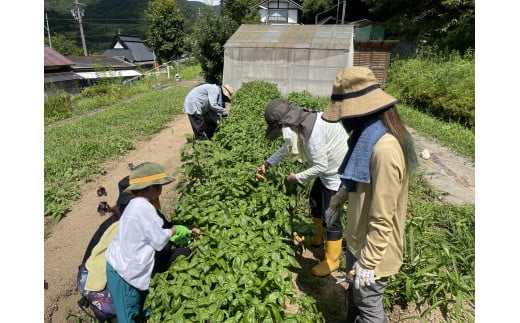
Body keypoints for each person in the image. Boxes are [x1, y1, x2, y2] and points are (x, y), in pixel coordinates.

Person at [322, 66, 418, 323]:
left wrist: (368, 264)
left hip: (373, 250)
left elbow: (383, 217)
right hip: (357, 239)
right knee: (356, 295)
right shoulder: (366, 138)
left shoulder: (384, 150)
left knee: (368, 304)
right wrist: (336, 202)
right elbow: (353, 179)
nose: (343, 120)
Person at [257, 98, 349, 277]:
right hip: (327, 170)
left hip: (336, 174)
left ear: (285, 123)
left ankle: (332, 260)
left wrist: (296, 177)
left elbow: (320, 166)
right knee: (315, 201)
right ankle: (315, 238)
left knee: (331, 216)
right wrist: (268, 163)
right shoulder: (301, 121)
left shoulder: (313, 135)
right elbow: (287, 146)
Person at [105, 162, 197, 323]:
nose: (161, 189)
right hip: (124, 273)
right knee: (129, 314)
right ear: (149, 188)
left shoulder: (136, 204)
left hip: (130, 265)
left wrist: (180, 231)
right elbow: (160, 241)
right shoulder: (143, 208)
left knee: (141, 304)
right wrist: (175, 231)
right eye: (158, 186)